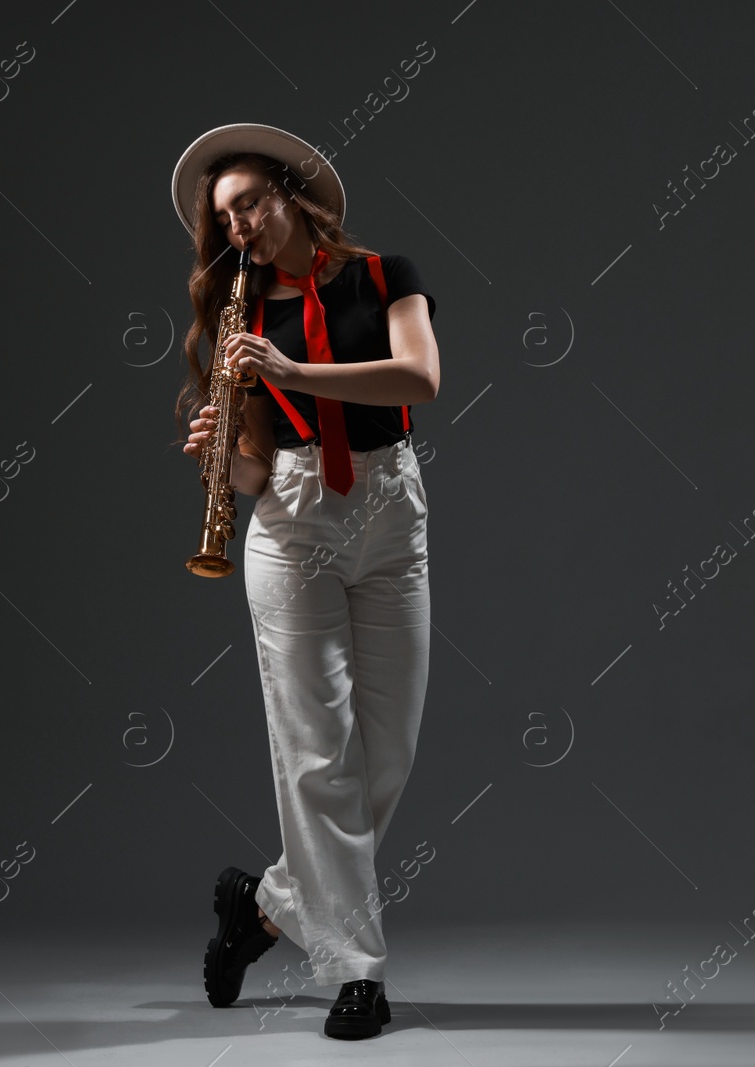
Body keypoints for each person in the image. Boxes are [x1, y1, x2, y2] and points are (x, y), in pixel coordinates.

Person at [172, 123, 438, 1040]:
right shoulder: (237, 314)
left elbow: (422, 377)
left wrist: (293, 368)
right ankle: (357, 972)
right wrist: (222, 458)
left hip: (389, 505)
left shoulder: (382, 274)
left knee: (387, 750)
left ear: (290, 194)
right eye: (225, 215)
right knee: (319, 753)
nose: (239, 223)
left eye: (250, 201)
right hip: (291, 523)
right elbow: (253, 468)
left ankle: (264, 906)